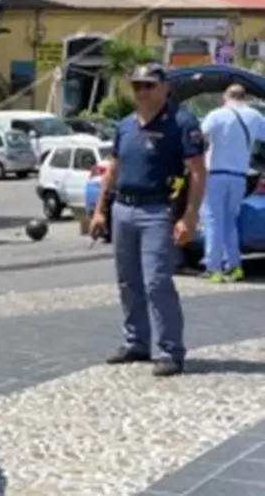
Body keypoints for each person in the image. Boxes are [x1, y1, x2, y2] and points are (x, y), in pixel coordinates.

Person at [91, 63, 207, 377]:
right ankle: (136, 342)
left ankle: (170, 350)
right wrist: (100, 209)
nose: (142, 91)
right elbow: (113, 169)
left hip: (157, 210)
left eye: (149, 85)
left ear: (165, 88)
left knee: (157, 281)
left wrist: (190, 215)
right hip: (123, 210)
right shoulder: (126, 125)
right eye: (137, 86)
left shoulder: (181, 123)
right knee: (128, 281)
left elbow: (197, 171)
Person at [198, 84, 263, 282]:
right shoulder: (255, 116)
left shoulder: (217, 114)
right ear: (244, 97)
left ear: (226, 96)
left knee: (213, 220)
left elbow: (201, 137)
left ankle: (213, 267)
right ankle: (234, 265)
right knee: (230, 221)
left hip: (216, 174)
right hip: (240, 176)